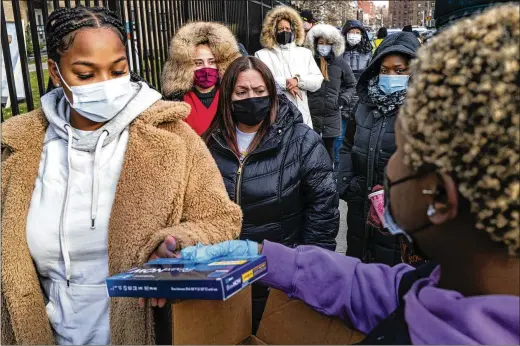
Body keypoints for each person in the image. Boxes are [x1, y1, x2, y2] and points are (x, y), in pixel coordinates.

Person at [180, 5, 520, 344]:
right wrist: (259, 255)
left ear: (441, 197)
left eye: (402, 150)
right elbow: (366, 287)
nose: (387, 165)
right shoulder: (439, 284)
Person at [0, 6, 242, 345]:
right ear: (56, 73)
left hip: (144, 330)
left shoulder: (171, 137)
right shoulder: (18, 149)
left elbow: (222, 219)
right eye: (86, 74)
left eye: (118, 70)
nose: (106, 86)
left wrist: (177, 243)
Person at [204, 56, 339, 333]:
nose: (250, 99)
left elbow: (323, 213)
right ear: (228, 95)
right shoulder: (208, 144)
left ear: (272, 94)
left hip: (282, 278)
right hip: (224, 282)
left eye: (259, 92)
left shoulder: (302, 141)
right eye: (241, 92)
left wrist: (308, 273)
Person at [338, 32, 420, 266]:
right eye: (384, 70)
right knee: (359, 271)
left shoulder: (424, 112)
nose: (390, 76)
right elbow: (347, 145)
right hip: (359, 208)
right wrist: (347, 184)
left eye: (399, 70)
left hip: (401, 217)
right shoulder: (363, 105)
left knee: (393, 280)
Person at [162, 22, 241, 135]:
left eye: (211, 62)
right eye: (198, 63)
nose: (206, 68)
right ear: (187, 66)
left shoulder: (231, 96)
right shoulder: (178, 100)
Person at [255, 5, 324, 129]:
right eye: (280, 29)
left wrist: (298, 81)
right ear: (273, 30)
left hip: (303, 116)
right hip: (275, 117)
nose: (285, 31)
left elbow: (317, 80)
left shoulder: (304, 53)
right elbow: (261, 83)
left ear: (294, 30)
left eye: (287, 28)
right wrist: (286, 83)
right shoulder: (261, 55)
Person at [305, 24, 357, 161]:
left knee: (330, 150)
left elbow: (352, 84)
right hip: (311, 114)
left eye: (328, 43)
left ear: (334, 44)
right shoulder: (308, 61)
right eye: (321, 43)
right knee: (310, 150)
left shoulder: (340, 63)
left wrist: (342, 99)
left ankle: (329, 176)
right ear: (315, 44)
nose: (324, 46)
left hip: (332, 113)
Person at [334, 19, 373, 170]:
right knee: (340, 138)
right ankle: (338, 168)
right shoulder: (337, 53)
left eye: (358, 33)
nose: (354, 36)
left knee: (360, 139)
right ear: (345, 34)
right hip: (342, 101)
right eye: (351, 32)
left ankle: (356, 168)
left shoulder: (368, 52)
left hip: (361, 102)